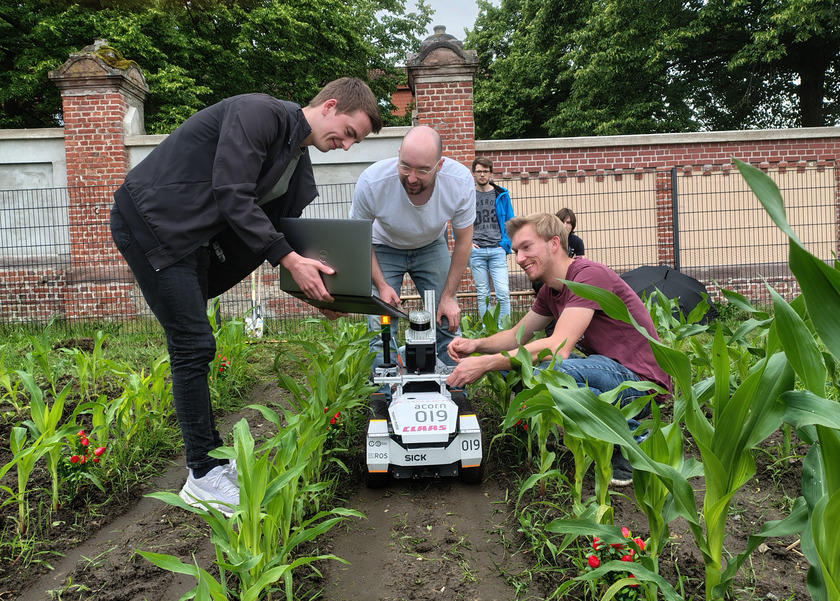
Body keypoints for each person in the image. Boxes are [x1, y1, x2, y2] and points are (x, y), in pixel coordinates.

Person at [110, 78, 382, 515]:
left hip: (192, 242)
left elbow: (281, 238)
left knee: (193, 346)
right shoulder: (259, 113)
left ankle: (211, 462)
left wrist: (322, 296)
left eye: (356, 141)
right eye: (350, 132)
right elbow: (231, 191)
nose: (348, 146)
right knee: (193, 345)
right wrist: (290, 261)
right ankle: (202, 474)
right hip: (152, 225)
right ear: (330, 106)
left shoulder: (298, 163)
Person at [445, 213, 671, 486]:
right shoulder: (551, 291)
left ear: (554, 243)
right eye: (515, 251)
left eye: (527, 247)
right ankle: (591, 433)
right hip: (608, 369)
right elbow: (518, 336)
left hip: (639, 384)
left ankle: (635, 438)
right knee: (519, 369)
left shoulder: (588, 276)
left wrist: (486, 363)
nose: (518, 258)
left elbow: (557, 348)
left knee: (549, 371)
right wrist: (476, 346)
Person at [349, 125, 475, 367]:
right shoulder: (373, 181)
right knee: (380, 325)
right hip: (382, 245)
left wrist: (448, 296)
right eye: (405, 166)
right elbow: (359, 238)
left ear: (439, 165)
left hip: (431, 245)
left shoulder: (459, 182)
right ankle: (385, 396)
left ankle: (453, 388)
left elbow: (463, 242)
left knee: (448, 320)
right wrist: (382, 285)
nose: (412, 177)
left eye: (423, 170)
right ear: (398, 154)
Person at [469, 157, 514, 327]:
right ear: (473, 173)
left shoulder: (501, 194)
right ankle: (488, 329)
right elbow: (458, 221)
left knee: (502, 292)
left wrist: (504, 245)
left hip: (497, 250)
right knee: (483, 294)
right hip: (476, 251)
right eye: (479, 171)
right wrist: (467, 245)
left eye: (485, 171)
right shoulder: (467, 195)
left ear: (491, 173)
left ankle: (504, 329)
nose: (482, 174)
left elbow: (510, 221)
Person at [533, 207, 584, 336]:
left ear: (573, 225)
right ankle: (551, 332)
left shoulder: (577, 242)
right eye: (562, 222)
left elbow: (580, 263)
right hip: (546, 279)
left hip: (566, 279)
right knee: (551, 289)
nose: (565, 226)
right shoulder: (547, 239)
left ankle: (567, 330)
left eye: (568, 223)